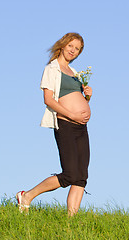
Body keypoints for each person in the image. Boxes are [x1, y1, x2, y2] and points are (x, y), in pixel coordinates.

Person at [16, 32, 92, 216]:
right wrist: (73, 115)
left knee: (81, 177)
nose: (73, 51)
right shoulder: (52, 69)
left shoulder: (74, 73)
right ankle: (27, 196)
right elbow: (49, 100)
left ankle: (71, 223)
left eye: (77, 49)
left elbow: (77, 101)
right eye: (71, 46)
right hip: (65, 124)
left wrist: (87, 97)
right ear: (63, 45)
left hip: (81, 127)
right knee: (69, 175)